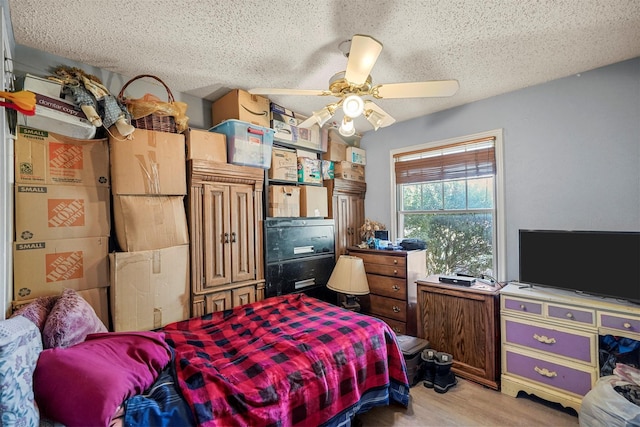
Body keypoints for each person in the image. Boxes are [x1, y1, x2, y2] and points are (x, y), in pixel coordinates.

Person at [51, 66, 135, 137]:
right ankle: (89, 110)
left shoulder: (119, 112)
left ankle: (120, 123)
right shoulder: (79, 85)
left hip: (104, 105)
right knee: (81, 94)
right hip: (97, 100)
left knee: (107, 104)